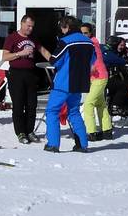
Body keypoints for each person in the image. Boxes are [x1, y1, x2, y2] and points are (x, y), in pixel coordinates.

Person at [39, 16, 95, 153]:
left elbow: (55, 60)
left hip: (63, 83)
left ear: (67, 27)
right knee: (74, 112)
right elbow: (92, 60)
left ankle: (53, 144)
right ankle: (82, 144)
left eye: (62, 28)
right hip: (79, 83)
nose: (62, 31)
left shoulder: (66, 41)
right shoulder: (89, 42)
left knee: (52, 111)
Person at [1, 14, 41, 144]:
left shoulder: (33, 38)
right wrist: (20, 53)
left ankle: (30, 131)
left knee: (32, 105)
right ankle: (20, 132)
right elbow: (5, 57)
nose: (30, 29)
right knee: (18, 105)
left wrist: (55, 61)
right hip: (16, 74)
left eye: (32, 27)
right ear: (22, 23)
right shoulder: (12, 37)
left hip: (31, 73)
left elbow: (43, 50)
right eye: (28, 26)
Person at [79, 23, 113, 142]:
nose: (83, 35)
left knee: (88, 104)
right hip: (95, 78)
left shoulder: (91, 43)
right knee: (100, 104)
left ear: (90, 33)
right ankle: (107, 131)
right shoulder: (90, 42)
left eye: (85, 33)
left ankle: (91, 132)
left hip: (100, 77)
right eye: (81, 33)